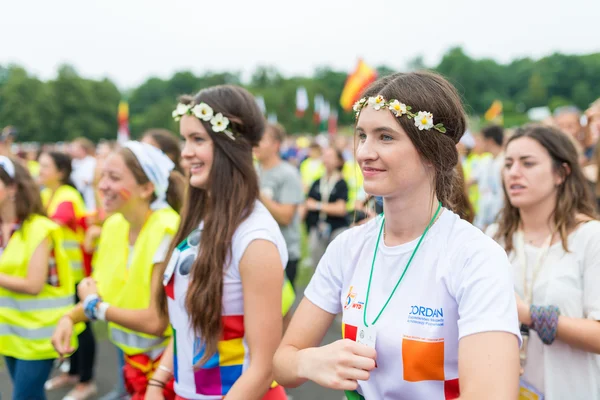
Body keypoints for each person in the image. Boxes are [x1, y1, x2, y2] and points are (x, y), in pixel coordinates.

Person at [273, 71, 521, 399]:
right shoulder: (347, 247)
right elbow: (282, 363)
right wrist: (309, 360)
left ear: (432, 152)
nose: (363, 152)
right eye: (362, 135)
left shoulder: (475, 257)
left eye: (385, 137)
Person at [151, 85, 288, 400]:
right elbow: (188, 321)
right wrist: (158, 381)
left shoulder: (254, 238)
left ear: (232, 146)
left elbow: (263, 366)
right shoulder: (202, 219)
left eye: (197, 139)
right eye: (185, 139)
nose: (185, 152)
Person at [51, 141, 185, 400]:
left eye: (114, 178)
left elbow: (156, 321)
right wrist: (69, 317)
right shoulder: (114, 226)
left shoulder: (167, 229)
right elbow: (101, 291)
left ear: (147, 188)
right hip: (133, 359)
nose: (102, 186)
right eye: (103, 177)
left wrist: (93, 307)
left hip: (168, 366)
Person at [487, 124, 600, 399]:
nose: (514, 172)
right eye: (509, 163)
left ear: (561, 173)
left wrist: (528, 314)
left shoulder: (590, 237)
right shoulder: (494, 238)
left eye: (528, 163)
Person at [0, 156, 80, 400]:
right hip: (10, 333)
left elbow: (34, 285)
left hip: (40, 336)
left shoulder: (39, 229)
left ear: (13, 187)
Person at [38, 151, 98, 400]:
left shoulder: (68, 195)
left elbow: (55, 220)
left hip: (76, 275)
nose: (39, 170)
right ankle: (73, 373)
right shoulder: (44, 194)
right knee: (68, 323)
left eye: (45, 166)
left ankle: (87, 381)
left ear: (60, 172)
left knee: (82, 328)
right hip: (59, 277)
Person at [254, 122, 304, 288]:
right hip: (257, 251)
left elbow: (286, 217)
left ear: (276, 145)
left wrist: (257, 193)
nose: (255, 143)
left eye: (261, 139)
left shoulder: (288, 174)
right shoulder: (253, 171)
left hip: (284, 252)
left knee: (282, 311)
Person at [304, 147, 350, 268]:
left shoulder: (341, 183)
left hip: (336, 228)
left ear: (339, 161)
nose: (326, 159)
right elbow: (308, 204)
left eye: (330, 156)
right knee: (317, 263)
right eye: (325, 156)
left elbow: (340, 209)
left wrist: (318, 205)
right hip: (318, 227)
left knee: (337, 264)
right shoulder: (317, 182)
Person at [473, 125, 505, 230]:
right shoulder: (485, 161)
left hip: (501, 218)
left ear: (490, 141)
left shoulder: (506, 162)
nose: (477, 144)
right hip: (484, 219)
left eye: (480, 140)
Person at [69, 138, 97, 212]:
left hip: (88, 197)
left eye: (75, 148)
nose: (73, 151)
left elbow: (88, 180)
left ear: (82, 149)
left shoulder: (91, 162)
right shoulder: (74, 162)